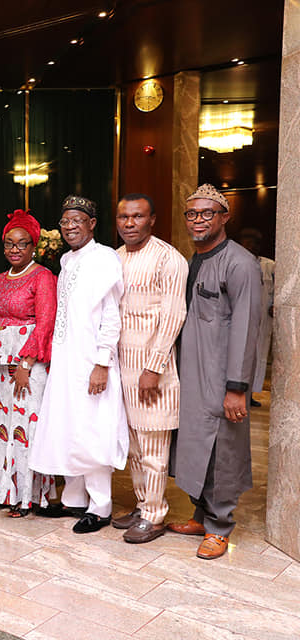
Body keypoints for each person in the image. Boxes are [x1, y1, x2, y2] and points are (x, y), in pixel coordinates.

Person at [167, 184, 263, 560]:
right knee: (195, 447)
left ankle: (220, 527)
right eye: (192, 213)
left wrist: (237, 387)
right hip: (192, 374)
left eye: (208, 213)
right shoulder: (196, 259)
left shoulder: (240, 263)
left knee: (222, 449)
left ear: (225, 217)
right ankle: (201, 515)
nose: (199, 220)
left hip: (222, 377)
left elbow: (246, 328)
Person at [29, 195, 128, 533]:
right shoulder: (68, 261)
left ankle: (100, 507)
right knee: (68, 426)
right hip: (66, 360)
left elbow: (112, 316)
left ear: (92, 224)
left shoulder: (104, 258)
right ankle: (73, 500)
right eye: (65, 221)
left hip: (91, 361)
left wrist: (102, 362)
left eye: (77, 221)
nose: (70, 227)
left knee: (92, 430)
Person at [111, 194, 188, 543]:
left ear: (152, 220)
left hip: (152, 371)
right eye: (124, 217)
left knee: (154, 447)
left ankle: (155, 516)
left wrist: (153, 367)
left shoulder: (169, 259)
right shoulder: (115, 258)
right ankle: (144, 506)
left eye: (137, 217)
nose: (129, 223)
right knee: (134, 447)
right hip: (121, 370)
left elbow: (174, 316)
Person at [0, 209, 57, 516]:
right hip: (0, 367)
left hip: (29, 365)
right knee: (2, 425)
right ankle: (4, 489)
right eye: (9, 243)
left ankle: (27, 494)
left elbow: (45, 322)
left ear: (33, 246)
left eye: (22, 243)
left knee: (25, 427)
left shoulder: (42, 277)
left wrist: (25, 365)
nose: (14, 249)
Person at [237, 228, 274, 407]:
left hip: (262, 321)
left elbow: (280, 290)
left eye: (255, 242)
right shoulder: (234, 262)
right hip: (239, 319)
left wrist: (275, 305)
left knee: (258, 357)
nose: (251, 245)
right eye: (248, 241)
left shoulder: (269, 266)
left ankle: (250, 393)